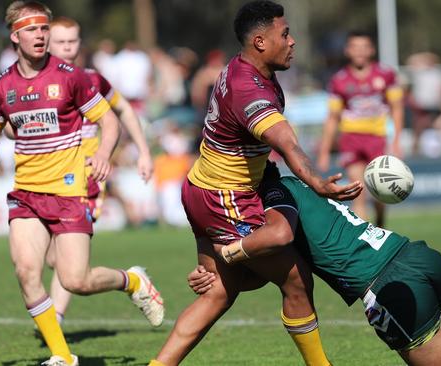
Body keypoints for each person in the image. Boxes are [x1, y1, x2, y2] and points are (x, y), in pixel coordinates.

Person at [188, 161, 441, 366]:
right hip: (411, 252)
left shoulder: (273, 204)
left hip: (385, 286)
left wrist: (224, 258)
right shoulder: (301, 183)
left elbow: (277, 262)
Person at [152, 2, 362, 365]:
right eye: (285, 34)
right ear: (261, 41)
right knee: (295, 279)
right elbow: (288, 144)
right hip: (224, 196)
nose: (293, 41)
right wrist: (318, 183)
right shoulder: (250, 89)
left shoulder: (248, 69)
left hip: (208, 188)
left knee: (220, 291)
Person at [0, 2, 163, 365]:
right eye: (32, 29)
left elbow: (111, 120)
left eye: (43, 28)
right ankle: (62, 356)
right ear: (15, 36)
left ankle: (131, 281)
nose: (40, 35)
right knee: (26, 271)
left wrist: (103, 155)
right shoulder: (2, 87)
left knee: (75, 280)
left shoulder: (72, 77)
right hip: (26, 194)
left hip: (70, 192)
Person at [39, 15, 155, 325]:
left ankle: (56, 320)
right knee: (53, 258)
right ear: (46, 44)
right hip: (49, 177)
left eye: (72, 41)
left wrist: (143, 152)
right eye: (60, 42)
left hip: (87, 179)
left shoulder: (92, 79)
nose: (67, 48)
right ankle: (131, 279)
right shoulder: (38, 83)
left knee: (65, 261)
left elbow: (124, 110)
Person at [316, 31, 404, 227]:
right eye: (355, 47)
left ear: (372, 50)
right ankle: (369, 239)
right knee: (360, 190)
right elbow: (332, 118)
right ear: (348, 50)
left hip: (377, 138)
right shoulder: (339, 80)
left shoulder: (386, 75)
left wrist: (397, 140)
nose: (360, 52)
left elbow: (397, 108)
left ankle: (380, 222)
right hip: (351, 139)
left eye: (364, 47)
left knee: (380, 191)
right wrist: (324, 151)